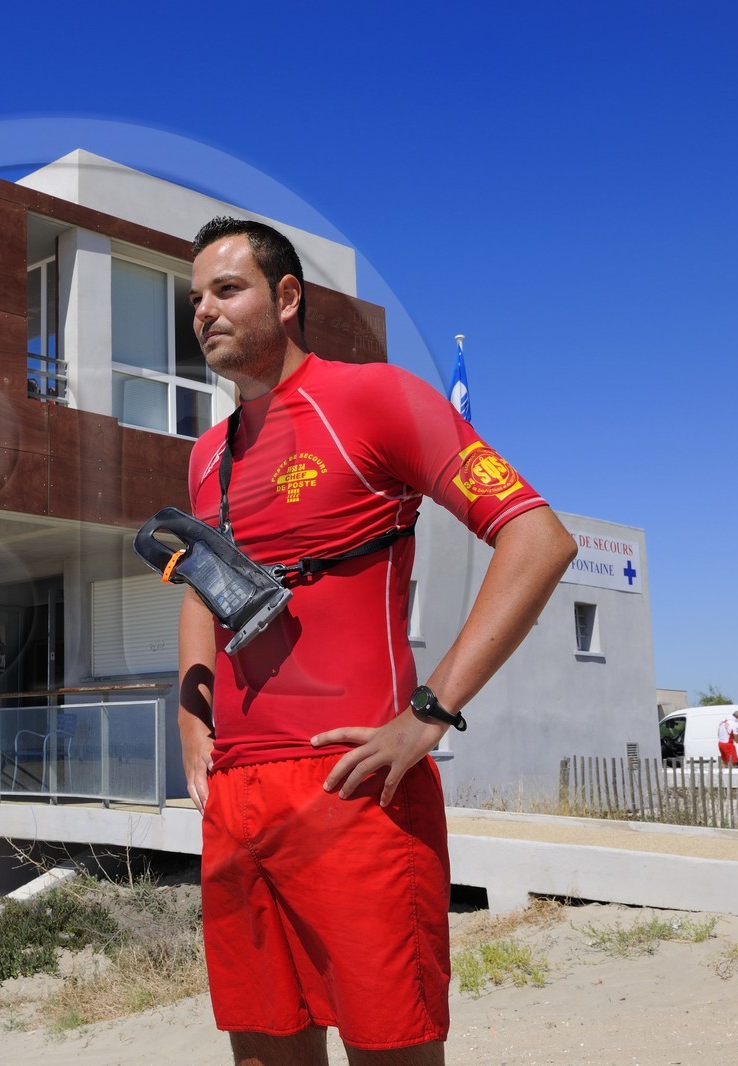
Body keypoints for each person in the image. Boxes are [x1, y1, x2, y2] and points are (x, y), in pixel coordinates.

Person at [177, 217, 578, 1065]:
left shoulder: (374, 398)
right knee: (263, 1051)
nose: (204, 311)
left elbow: (537, 539)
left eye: (226, 289)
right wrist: (190, 720)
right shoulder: (207, 454)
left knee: (390, 1049)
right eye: (195, 299)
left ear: (287, 299)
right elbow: (199, 587)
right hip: (240, 800)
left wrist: (430, 712)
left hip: (355, 788)